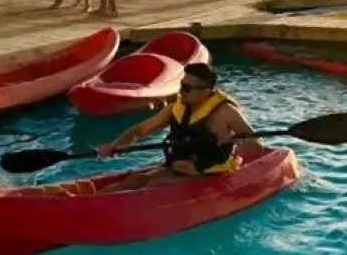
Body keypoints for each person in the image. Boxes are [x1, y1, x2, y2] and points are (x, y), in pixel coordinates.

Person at [98, 62, 259, 187]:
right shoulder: (176, 108)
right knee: (135, 180)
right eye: (182, 85)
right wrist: (116, 145)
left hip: (208, 175)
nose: (181, 91)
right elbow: (139, 131)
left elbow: (256, 145)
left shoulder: (225, 112)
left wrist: (235, 140)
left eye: (187, 88)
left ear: (206, 91)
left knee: (154, 184)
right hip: (177, 169)